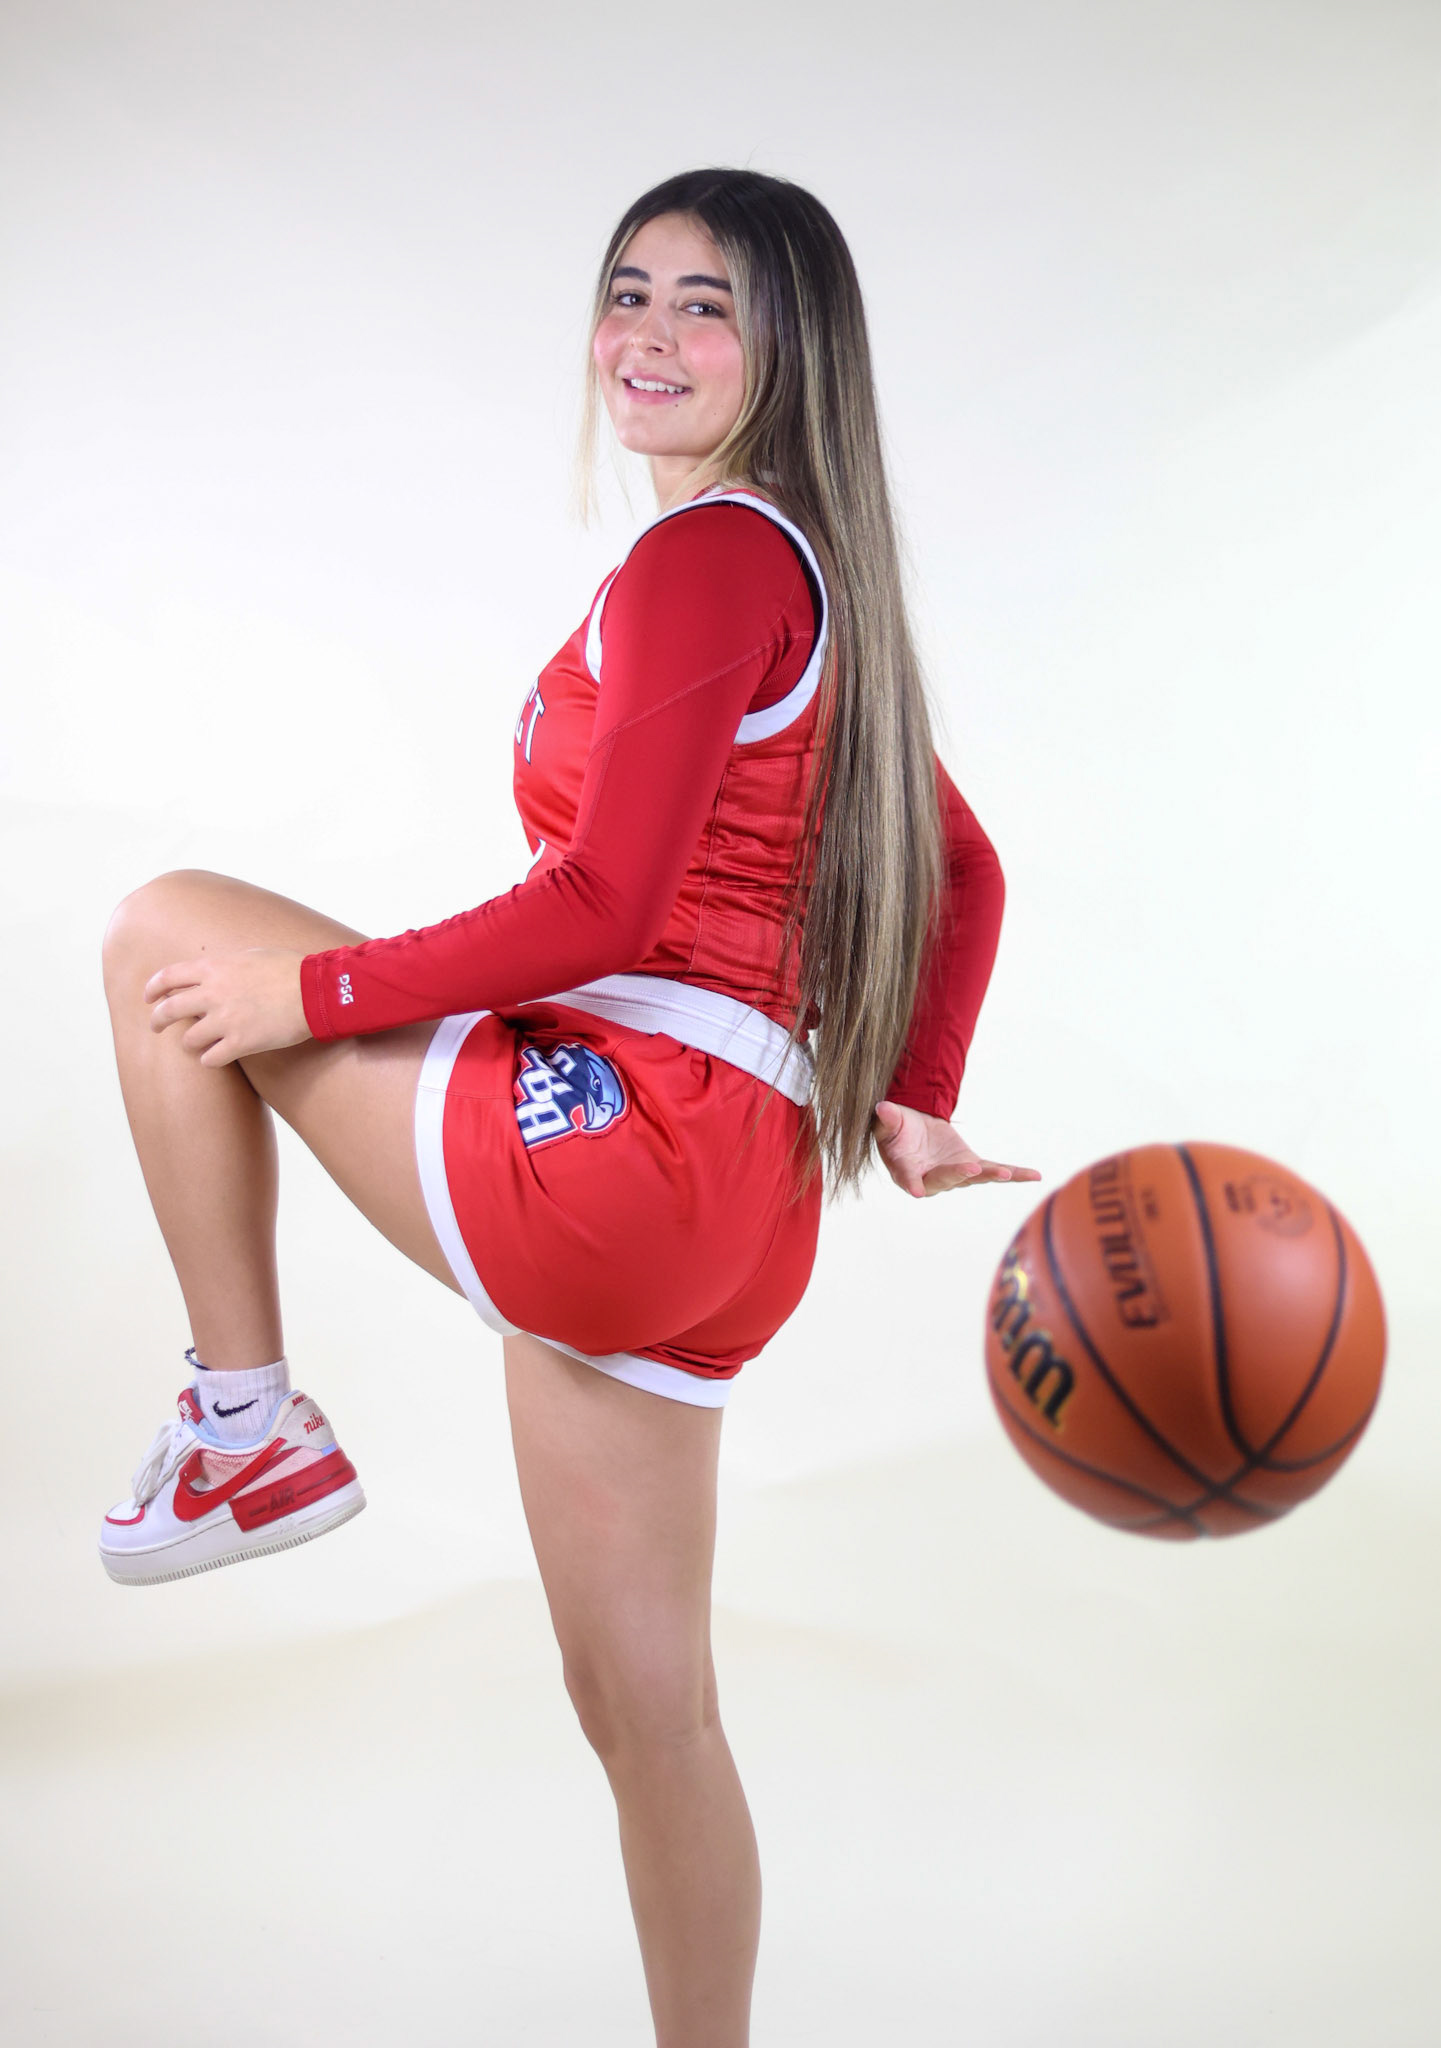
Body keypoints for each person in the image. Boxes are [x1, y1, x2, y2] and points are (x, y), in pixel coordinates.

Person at [96, 167, 1037, 2048]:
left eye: (709, 305)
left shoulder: (711, 560)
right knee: (647, 1707)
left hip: (624, 1145)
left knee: (161, 933)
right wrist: (914, 1102)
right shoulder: (816, 577)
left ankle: (243, 1423)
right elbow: (969, 865)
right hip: (740, 1200)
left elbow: (602, 908)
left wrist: (313, 998)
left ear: (790, 353)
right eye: (631, 291)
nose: (654, 337)